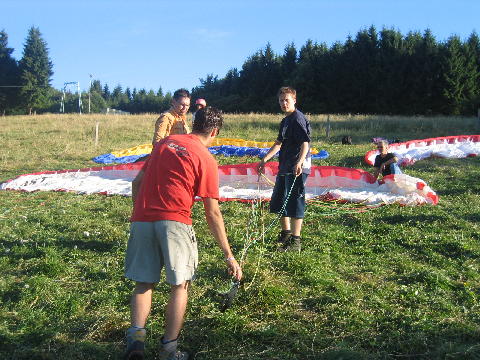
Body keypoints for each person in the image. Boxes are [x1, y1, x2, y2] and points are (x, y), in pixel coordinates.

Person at [125, 107, 243, 360]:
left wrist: (138, 216)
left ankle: (136, 339)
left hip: (142, 220)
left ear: (193, 124)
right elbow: (213, 213)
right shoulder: (206, 158)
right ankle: (169, 349)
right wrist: (229, 255)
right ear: (215, 131)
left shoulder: (166, 142)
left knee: (144, 283)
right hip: (176, 223)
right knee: (180, 285)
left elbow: (136, 182)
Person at [257, 86, 311, 252]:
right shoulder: (285, 121)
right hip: (285, 166)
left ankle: (296, 241)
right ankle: (286, 234)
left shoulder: (298, 119)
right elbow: (279, 143)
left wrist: (300, 162)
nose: (283, 103)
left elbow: (305, 143)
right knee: (281, 199)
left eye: (287, 100)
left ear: (294, 100)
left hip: (297, 167)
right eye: (281, 100)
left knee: (294, 201)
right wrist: (265, 159)